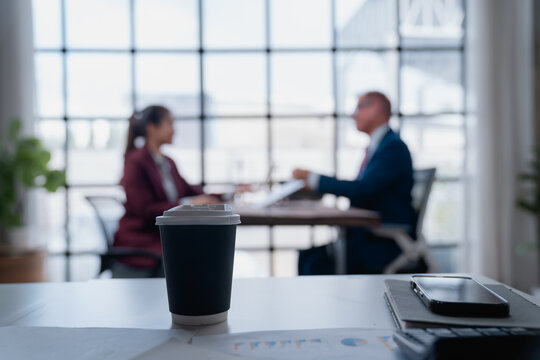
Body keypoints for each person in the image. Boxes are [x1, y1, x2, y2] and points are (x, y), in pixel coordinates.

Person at [292, 91, 418, 275]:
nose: (353, 114)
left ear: (376, 107)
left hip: (380, 243)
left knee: (314, 264)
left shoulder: (393, 147)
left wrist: (314, 178)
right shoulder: (381, 146)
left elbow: (362, 190)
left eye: (359, 107)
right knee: (308, 257)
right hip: (366, 236)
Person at [114, 105, 220, 277]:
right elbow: (145, 211)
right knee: (194, 255)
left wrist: (231, 192)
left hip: (164, 239)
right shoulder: (135, 162)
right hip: (142, 240)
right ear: (152, 128)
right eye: (169, 124)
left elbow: (193, 192)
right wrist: (188, 203)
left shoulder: (168, 162)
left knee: (204, 250)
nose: (174, 130)